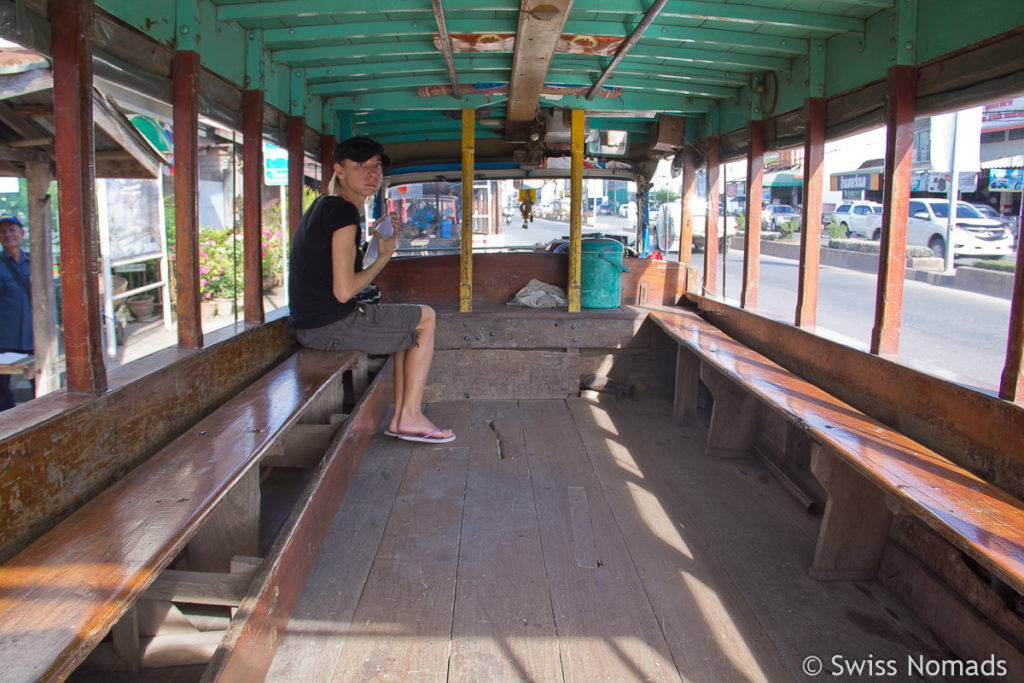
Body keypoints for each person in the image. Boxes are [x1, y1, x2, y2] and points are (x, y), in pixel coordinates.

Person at [289, 136, 454, 443]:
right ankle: (409, 416)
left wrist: (376, 242)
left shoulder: (324, 208)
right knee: (426, 318)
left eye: (376, 166)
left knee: (411, 327)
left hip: (314, 323)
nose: (372, 174)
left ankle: (404, 417)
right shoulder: (343, 213)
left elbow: (343, 271)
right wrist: (387, 255)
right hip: (328, 325)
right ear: (339, 171)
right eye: (361, 166)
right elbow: (344, 290)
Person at [0, 214, 32, 411]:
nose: (8, 235)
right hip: (4, 340)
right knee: (2, 394)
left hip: (34, 337)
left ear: (22, 233)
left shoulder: (35, 261)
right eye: (3, 231)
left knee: (42, 388)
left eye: (12, 230)